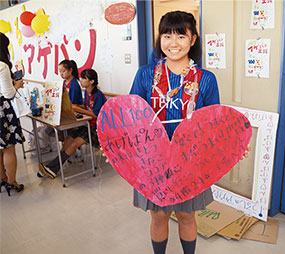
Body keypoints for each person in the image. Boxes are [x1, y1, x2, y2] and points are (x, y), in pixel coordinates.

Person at [129, 11, 251, 254]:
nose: (173, 43)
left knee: (186, 216)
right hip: (154, 162)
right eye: (167, 36)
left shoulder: (206, 79)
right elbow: (132, 118)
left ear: (193, 39)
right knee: (159, 217)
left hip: (191, 162)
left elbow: (214, 125)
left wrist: (234, 145)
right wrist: (119, 148)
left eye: (181, 36)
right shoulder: (145, 74)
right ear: (159, 39)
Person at [38, 69, 106, 179]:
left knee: (74, 143)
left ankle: (53, 168)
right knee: (69, 138)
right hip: (87, 125)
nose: (81, 80)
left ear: (92, 81)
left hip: (97, 129)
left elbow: (96, 115)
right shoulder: (86, 92)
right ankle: (52, 166)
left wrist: (78, 109)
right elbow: (86, 107)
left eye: (84, 78)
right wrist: (74, 107)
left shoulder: (98, 95)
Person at [0, 32, 25, 196]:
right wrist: (17, 84)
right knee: (9, 148)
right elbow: (8, 93)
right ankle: (12, 182)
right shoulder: (2, 65)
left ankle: (2, 179)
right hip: (2, 111)